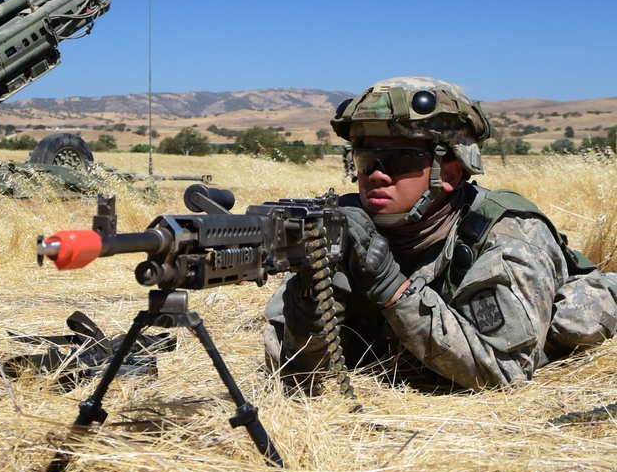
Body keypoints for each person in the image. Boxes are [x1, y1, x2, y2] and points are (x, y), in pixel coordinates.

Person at [264, 76, 617, 392]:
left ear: (448, 172)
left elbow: (506, 371)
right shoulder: (342, 225)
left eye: (400, 160)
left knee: (573, 324)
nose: (377, 175)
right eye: (365, 159)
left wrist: (392, 288)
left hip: (556, 313)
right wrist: (309, 306)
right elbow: (291, 372)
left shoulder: (507, 234)